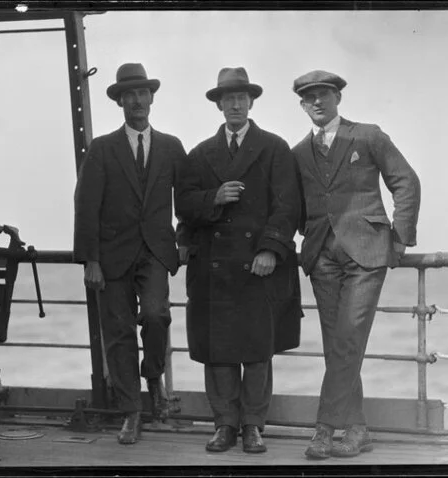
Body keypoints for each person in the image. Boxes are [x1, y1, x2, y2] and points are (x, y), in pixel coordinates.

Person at [291, 70, 421, 459]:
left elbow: (406, 182)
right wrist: (309, 236)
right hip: (322, 258)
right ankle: (358, 427)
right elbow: (297, 205)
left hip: (366, 253)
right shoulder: (298, 152)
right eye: (309, 97)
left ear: (337, 98)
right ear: (302, 104)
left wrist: (399, 238)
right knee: (338, 345)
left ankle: (324, 428)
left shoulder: (368, 136)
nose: (317, 101)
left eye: (324, 94)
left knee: (346, 338)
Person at [176, 67, 303, 454]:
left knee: (257, 349)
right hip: (213, 269)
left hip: (258, 267)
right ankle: (224, 425)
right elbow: (182, 206)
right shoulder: (199, 154)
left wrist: (269, 249)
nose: (235, 104)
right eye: (227, 98)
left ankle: (253, 426)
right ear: (218, 105)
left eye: (241, 97)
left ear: (251, 102)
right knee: (218, 352)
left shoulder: (274, 148)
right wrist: (213, 198)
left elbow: (289, 207)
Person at [73, 63, 187, 445]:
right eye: (129, 95)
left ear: (151, 98)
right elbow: (86, 205)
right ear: (120, 101)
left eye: (142, 93)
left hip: (155, 251)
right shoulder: (103, 148)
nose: (137, 101)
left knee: (156, 316)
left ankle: (153, 377)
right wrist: (90, 259)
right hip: (111, 256)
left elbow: (186, 201)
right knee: (118, 333)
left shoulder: (171, 147)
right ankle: (131, 413)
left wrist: (185, 239)